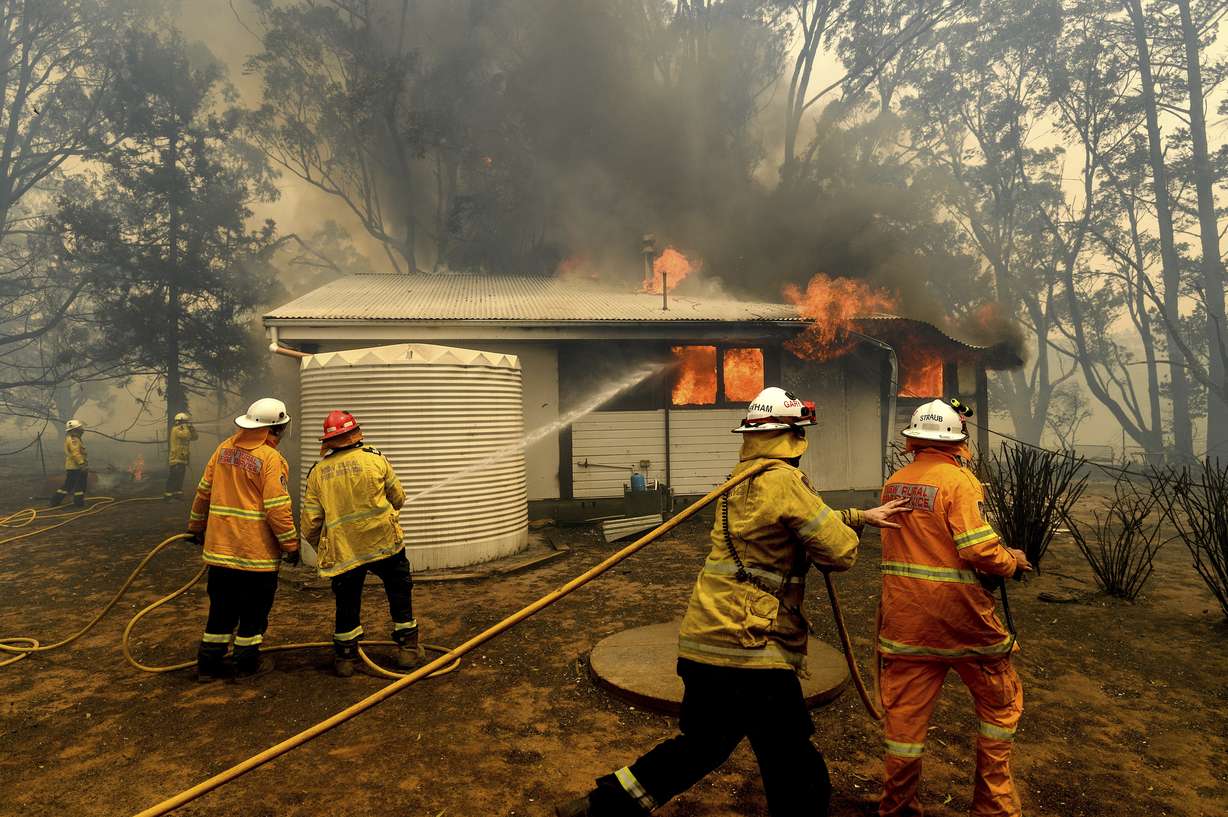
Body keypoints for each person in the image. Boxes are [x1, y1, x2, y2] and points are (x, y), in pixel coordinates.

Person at [555, 386, 910, 817]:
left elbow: (782, 524)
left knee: (702, 747)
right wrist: (847, 530)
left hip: (706, 639)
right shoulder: (784, 480)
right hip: (750, 648)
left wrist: (858, 515)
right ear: (796, 438)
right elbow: (841, 553)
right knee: (793, 759)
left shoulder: (740, 479)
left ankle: (601, 806)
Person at [877, 398, 1032, 817]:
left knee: (903, 731)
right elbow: (978, 548)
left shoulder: (894, 482)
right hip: (964, 623)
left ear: (913, 440)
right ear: (958, 441)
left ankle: (897, 808)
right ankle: (993, 809)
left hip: (906, 624)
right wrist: (1011, 563)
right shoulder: (959, 481)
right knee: (1001, 705)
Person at [300, 410, 423, 677]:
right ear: (355, 434)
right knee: (399, 589)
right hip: (384, 542)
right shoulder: (375, 459)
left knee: (347, 599)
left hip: (345, 550)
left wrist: (323, 544)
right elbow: (398, 497)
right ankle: (407, 649)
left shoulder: (318, 473)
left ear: (329, 441)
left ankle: (345, 657)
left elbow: (310, 522)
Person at [186, 397, 299, 682]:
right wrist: (290, 545)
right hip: (255, 555)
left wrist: (196, 526)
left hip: (220, 551)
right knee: (253, 611)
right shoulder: (271, 459)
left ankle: (209, 666)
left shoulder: (223, 449)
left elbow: (203, 492)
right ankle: (246, 664)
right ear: (275, 429)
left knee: (221, 609)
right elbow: (277, 508)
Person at [50, 419, 88, 508]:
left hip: (73, 467)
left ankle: (55, 501)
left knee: (68, 485)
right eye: (80, 428)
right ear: (75, 430)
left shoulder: (73, 438)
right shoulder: (74, 440)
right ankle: (79, 503)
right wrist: (82, 464)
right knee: (80, 485)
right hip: (76, 467)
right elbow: (75, 453)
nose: (82, 430)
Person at [164, 412, 199, 500]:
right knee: (174, 477)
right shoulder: (176, 430)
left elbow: (195, 437)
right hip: (176, 458)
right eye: (185, 422)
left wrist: (192, 429)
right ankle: (168, 495)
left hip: (182, 458)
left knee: (180, 477)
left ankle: (177, 494)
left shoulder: (184, 430)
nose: (186, 423)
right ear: (179, 422)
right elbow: (185, 436)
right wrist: (187, 428)